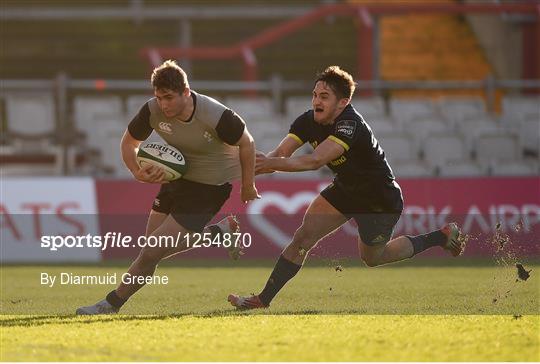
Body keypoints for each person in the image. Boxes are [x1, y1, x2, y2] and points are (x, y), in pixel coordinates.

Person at [228, 66, 464, 309]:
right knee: (302, 238)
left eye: (324, 97)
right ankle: (261, 300)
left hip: (379, 199)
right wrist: (249, 167)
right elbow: (278, 155)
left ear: (343, 102)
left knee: (372, 258)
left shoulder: (349, 124)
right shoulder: (307, 121)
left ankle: (438, 237)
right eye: (315, 95)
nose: (316, 101)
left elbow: (315, 160)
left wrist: (270, 162)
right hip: (346, 190)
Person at [77, 60, 260, 315]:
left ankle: (111, 304)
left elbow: (247, 143)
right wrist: (137, 172)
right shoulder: (153, 111)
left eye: (169, 97)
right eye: (159, 97)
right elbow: (129, 142)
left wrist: (248, 185)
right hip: (176, 179)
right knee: (151, 248)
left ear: (186, 92)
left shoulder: (214, 114)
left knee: (151, 251)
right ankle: (218, 233)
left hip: (209, 187)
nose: (164, 104)